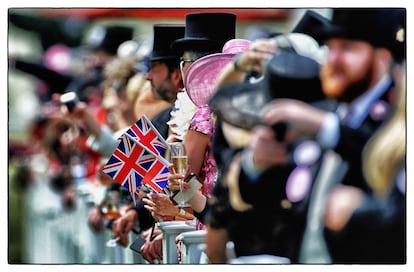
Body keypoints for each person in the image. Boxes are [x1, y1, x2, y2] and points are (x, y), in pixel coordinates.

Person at [206, 8, 405, 263]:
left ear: (382, 59)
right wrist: (255, 165)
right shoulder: (329, 112)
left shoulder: (393, 119)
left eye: (347, 48)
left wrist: (325, 128)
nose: (333, 59)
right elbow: (269, 196)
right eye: (330, 48)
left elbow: (374, 150)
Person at [110, 24, 185, 263]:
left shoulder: (203, 122)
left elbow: (187, 189)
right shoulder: (158, 119)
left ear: (176, 74)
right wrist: (131, 211)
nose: (148, 76)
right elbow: (123, 186)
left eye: (154, 68)